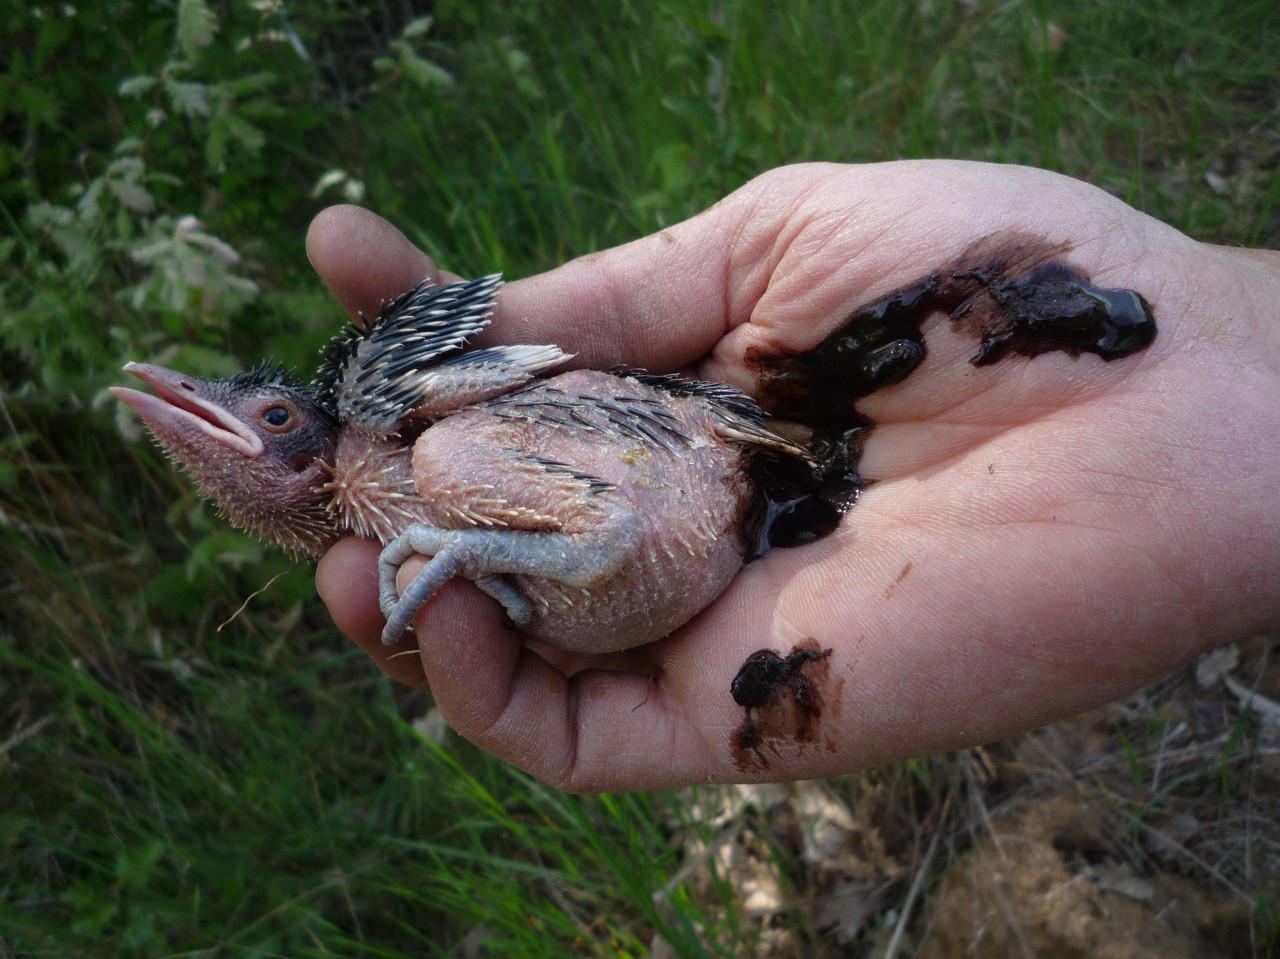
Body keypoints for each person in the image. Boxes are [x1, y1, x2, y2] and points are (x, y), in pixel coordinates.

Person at [305, 160, 1280, 792]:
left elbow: (601, 524)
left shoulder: (439, 443)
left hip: (711, 494)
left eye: (277, 420)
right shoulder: (422, 466)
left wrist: (1217, 338)